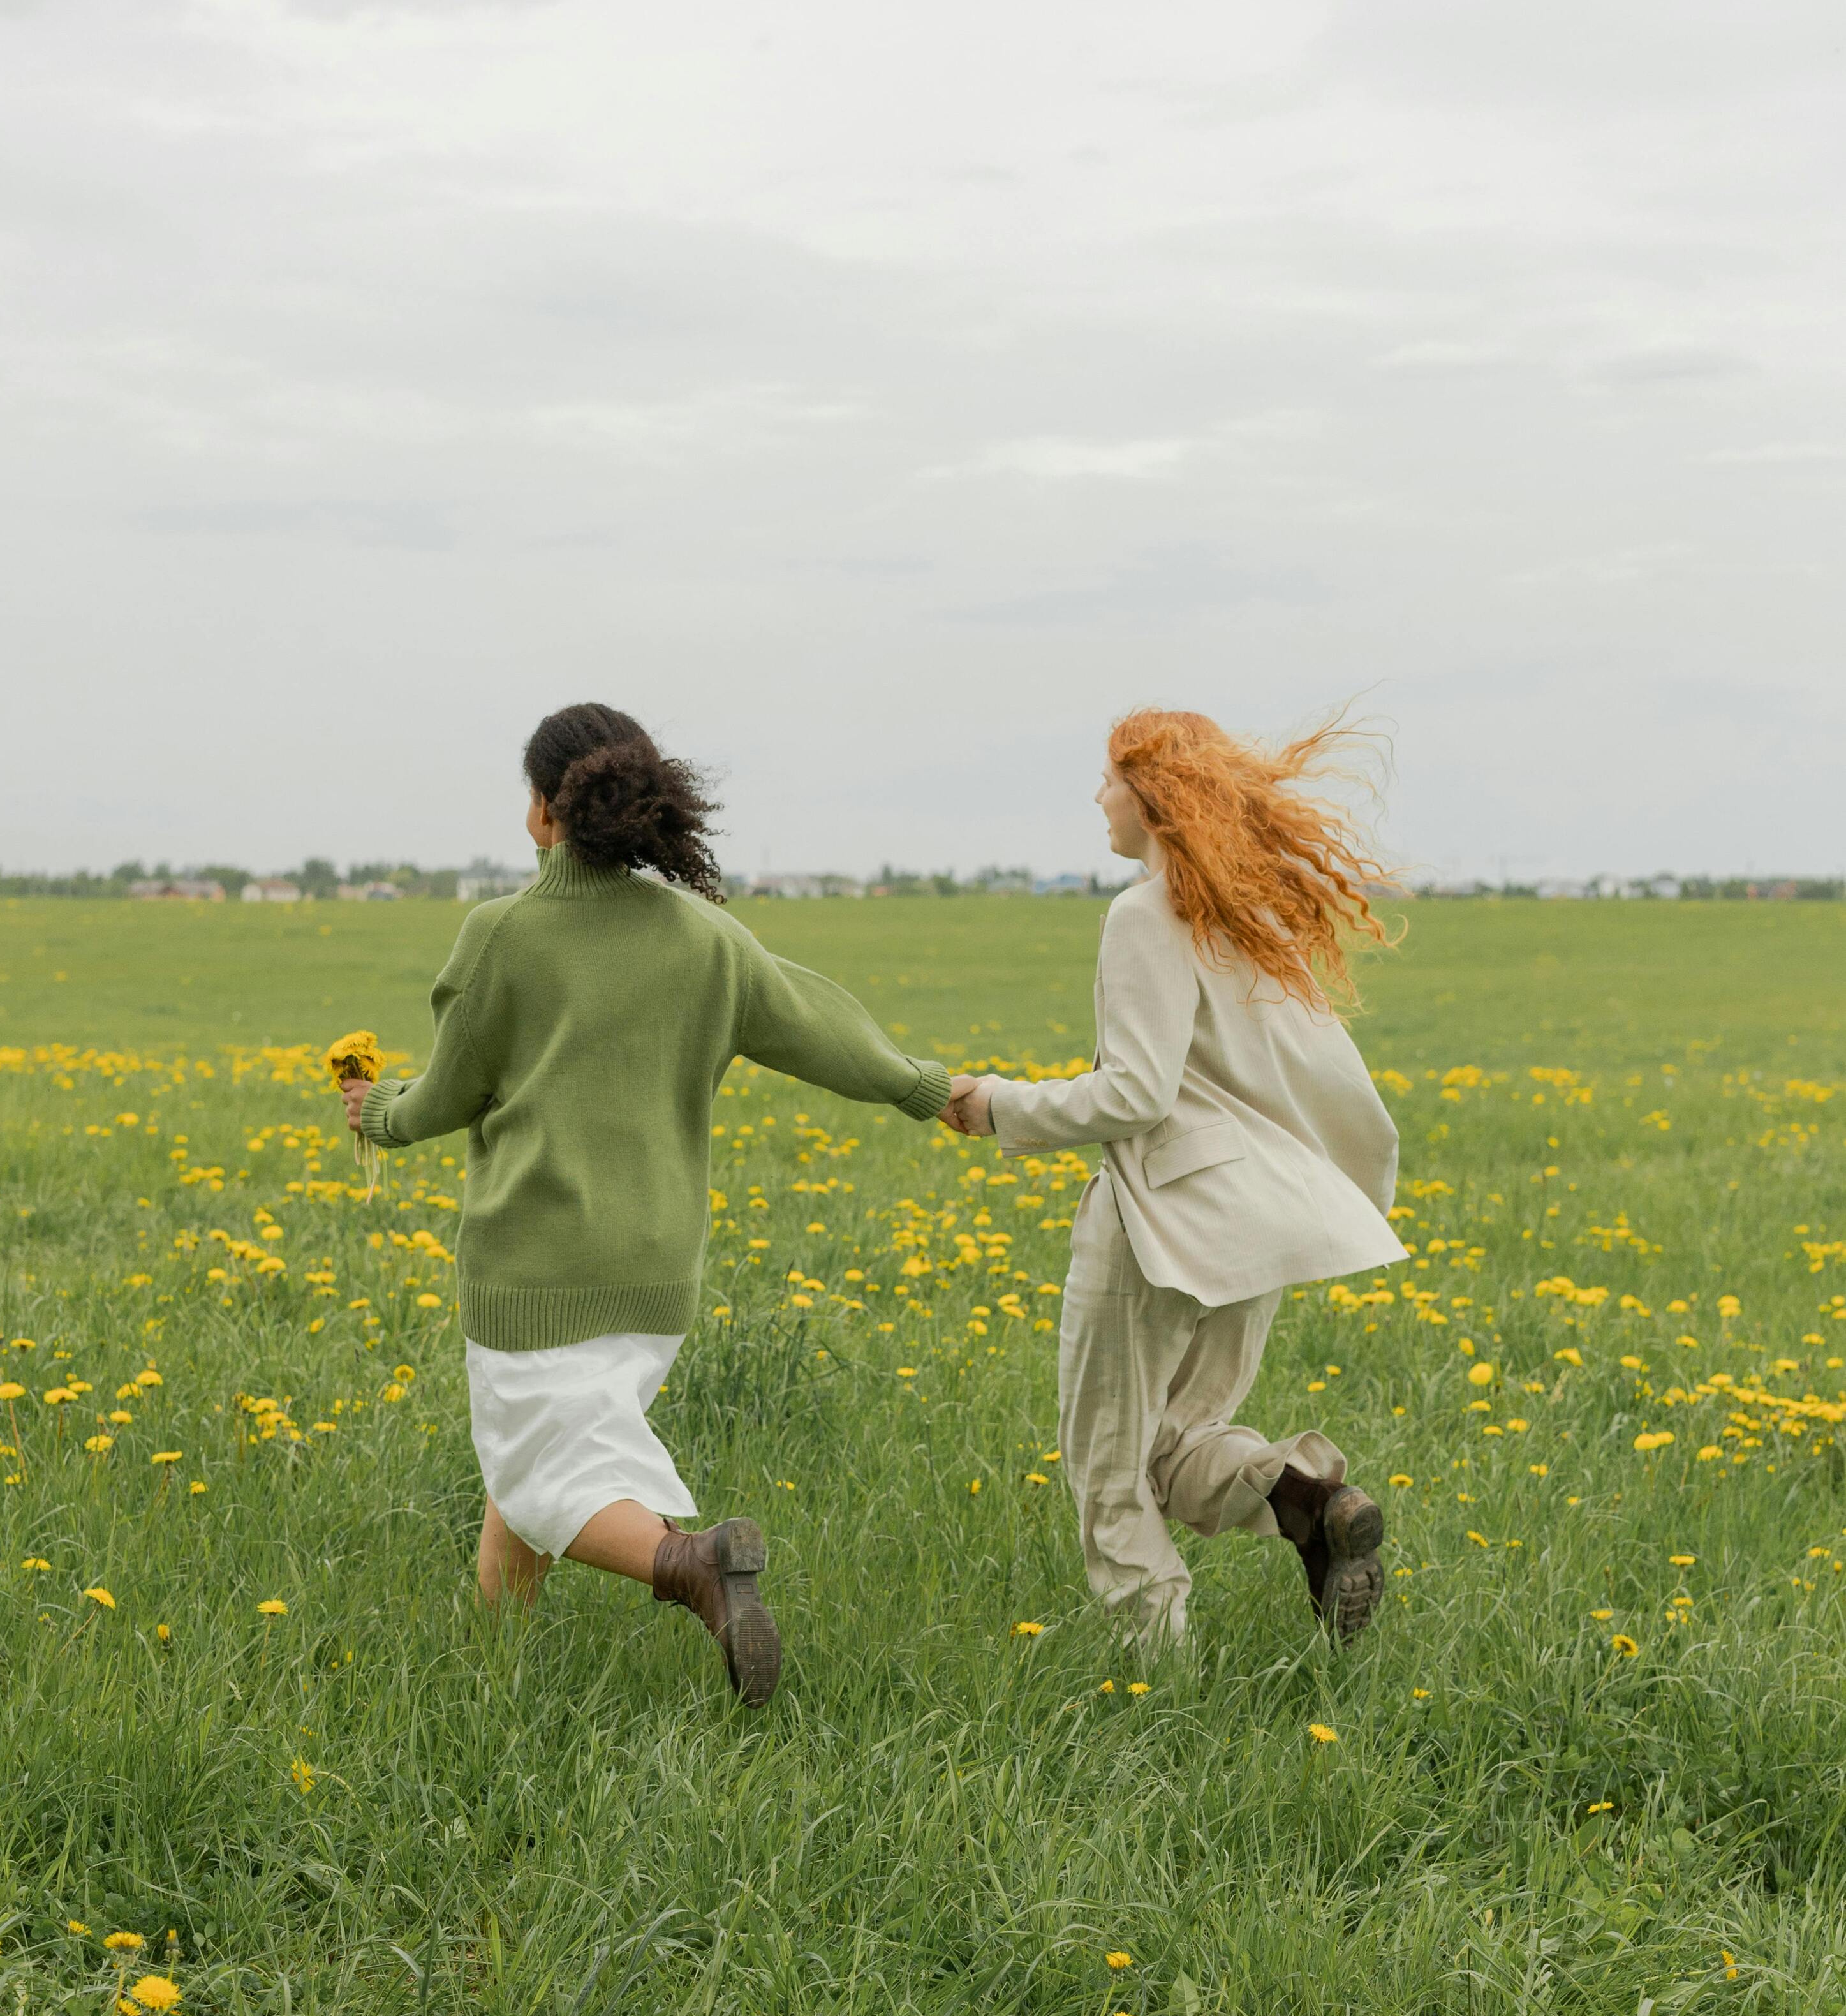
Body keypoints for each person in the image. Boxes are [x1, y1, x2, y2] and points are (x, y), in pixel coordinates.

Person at [334, 702, 953, 1706]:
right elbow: (817, 1025)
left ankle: (695, 1567)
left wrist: (379, 1113)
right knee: (534, 1454)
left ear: (544, 812)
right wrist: (922, 1087)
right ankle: (495, 1663)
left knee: (548, 1470)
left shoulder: (503, 935)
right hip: (656, 1272)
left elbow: (445, 1097)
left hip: (535, 1263)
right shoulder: (705, 936)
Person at [943, 708, 1407, 1652]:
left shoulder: (1144, 912)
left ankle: (1158, 1681)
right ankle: (1305, 1499)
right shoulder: (1246, 910)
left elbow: (1133, 1095)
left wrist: (995, 1105)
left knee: (1110, 1468)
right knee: (1176, 1446)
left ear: (1153, 799)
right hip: (1258, 1221)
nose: (1098, 796)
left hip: (1158, 1222)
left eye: (1110, 778)